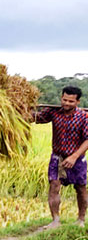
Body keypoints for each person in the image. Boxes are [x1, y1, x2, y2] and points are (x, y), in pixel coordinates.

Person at [34, 86, 88, 229]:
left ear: (77, 102)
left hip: (77, 158)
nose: (66, 104)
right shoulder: (54, 112)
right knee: (54, 185)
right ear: (61, 98)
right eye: (64, 100)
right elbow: (35, 118)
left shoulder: (83, 117)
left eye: (71, 101)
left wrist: (74, 157)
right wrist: (19, 108)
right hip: (57, 157)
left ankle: (81, 220)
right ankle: (55, 221)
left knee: (81, 187)